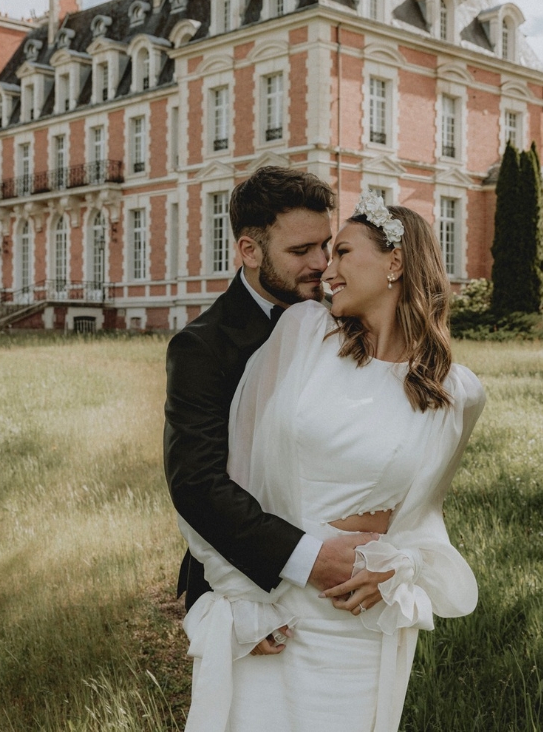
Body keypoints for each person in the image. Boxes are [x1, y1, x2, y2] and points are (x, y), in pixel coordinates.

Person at [178, 193, 486, 732]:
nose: (327, 267)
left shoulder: (457, 393)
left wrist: (399, 567)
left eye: (342, 251)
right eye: (323, 251)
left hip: (360, 621)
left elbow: (422, 519)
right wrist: (241, 598)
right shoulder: (304, 333)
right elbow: (219, 479)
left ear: (395, 262)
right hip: (273, 606)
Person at [163, 167, 380, 618]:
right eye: (301, 250)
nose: (322, 264)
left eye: (325, 244)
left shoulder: (348, 322)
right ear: (249, 251)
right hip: (244, 582)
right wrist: (308, 562)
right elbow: (198, 486)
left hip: (349, 586)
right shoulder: (202, 347)